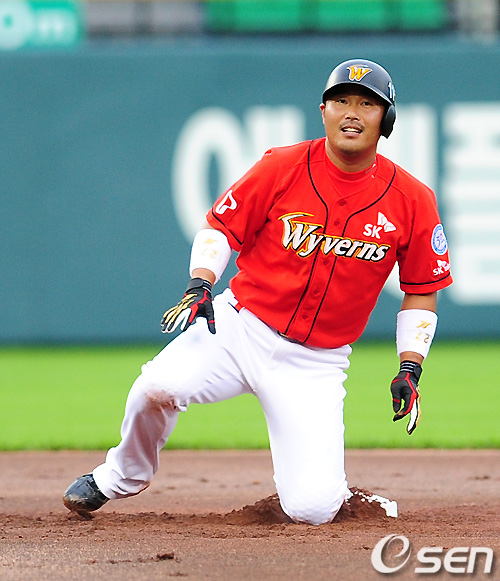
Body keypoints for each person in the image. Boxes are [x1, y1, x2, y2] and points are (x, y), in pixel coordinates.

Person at [63, 59, 452, 525]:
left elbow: (422, 289)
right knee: (156, 387)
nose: (352, 112)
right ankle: (119, 476)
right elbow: (220, 228)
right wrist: (201, 282)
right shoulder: (283, 166)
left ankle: (351, 499)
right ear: (323, 111)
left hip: (316, 362)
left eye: (367, 104)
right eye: (341, 101)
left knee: (313, 510)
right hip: (239, 326)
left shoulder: (412, 199)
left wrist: (411, 365)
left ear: (386, 119)